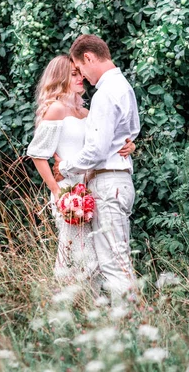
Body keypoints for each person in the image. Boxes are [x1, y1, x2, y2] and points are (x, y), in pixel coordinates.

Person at [26, 54, 135, 286]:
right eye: (73, 75)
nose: (81, 78)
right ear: (60, 78)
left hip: (91, 189)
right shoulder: (55, 109)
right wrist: (56, 191)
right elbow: (37, 153)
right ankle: (67, 305)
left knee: (94, 259)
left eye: (80, 73)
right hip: (69, 193)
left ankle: (90, 310)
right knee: (76, 257)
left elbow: (103, 142)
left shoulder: (86, 113)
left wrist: (128, 143)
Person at [53, 35, 140, 303]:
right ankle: (125, 323)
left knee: (114, 263)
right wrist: (130, 145)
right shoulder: (124, 86)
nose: (84, 77)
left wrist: (65, 166)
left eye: (81, 68)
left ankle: (128, 326)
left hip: (108, 183)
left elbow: (97, 150)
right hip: (120, 180)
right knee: (117, 259)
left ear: (89, 57)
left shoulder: (105, 93)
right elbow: (132, 130)